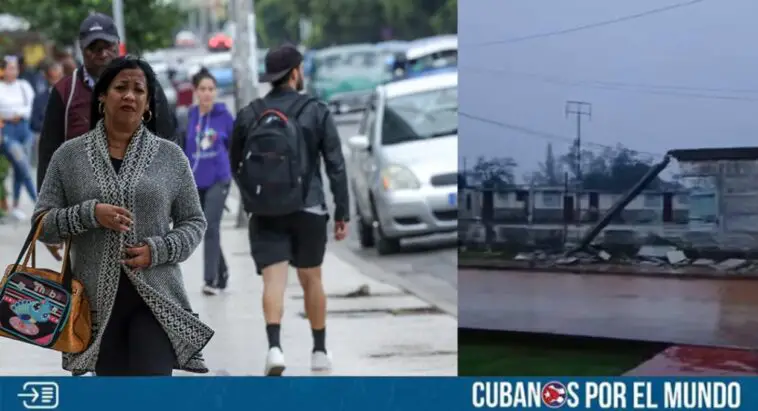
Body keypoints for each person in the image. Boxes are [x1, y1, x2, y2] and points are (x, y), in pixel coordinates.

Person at [32, 56, 214, 376]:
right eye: (120, 88)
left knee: (152, 396)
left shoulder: (170, 157)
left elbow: (194, 221)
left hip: (156, 301)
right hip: (95, 308)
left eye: (138, 90)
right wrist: (89, 214)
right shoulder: (68, 157)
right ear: (103, 96)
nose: (129, 95)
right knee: (110, 399)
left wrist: (157, 250)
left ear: (147, 104)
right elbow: (41, 225)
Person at [230, 44, 350, 376]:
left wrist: (252, 198)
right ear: (296, 72)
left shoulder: (250, 114)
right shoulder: (316, 110)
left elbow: (235, 163)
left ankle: (274, 348)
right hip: (309, 207)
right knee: (312, 278)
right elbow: (336, 166)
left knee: (273, 281)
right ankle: (319, 351)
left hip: (265, 210)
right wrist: (342, 213)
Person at [37, 13, 179, 194]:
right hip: (81, 199)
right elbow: (48, 152)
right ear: (81, 48)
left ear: (118, 45)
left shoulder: (144, 84)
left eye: (108, 46)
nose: (102, 54)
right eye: (93, 48)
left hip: (140, 194)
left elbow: (168, 136)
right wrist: (45, 210)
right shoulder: (65, 92)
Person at [183, 68, 233, 295]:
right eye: (202, 89)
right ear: (196, 92)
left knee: (211, 226)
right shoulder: (189, 117)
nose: (207, 94)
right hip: (195, 182)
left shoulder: (224, 117)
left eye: (211, 89)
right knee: (206, 229)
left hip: (218, 179)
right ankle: (222, 272)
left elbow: (234, 145)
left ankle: (210, 280)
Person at [0, 56, 37, 219]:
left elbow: (31, 107)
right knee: (23, 165)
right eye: (9, 68)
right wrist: (9, 114)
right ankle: (39, 203)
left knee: (20, 169)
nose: (12, 71)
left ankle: (15, 205)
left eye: (15, 68)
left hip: (24, 129)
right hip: (7, 131)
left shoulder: (24, 86)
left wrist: (17, 113)